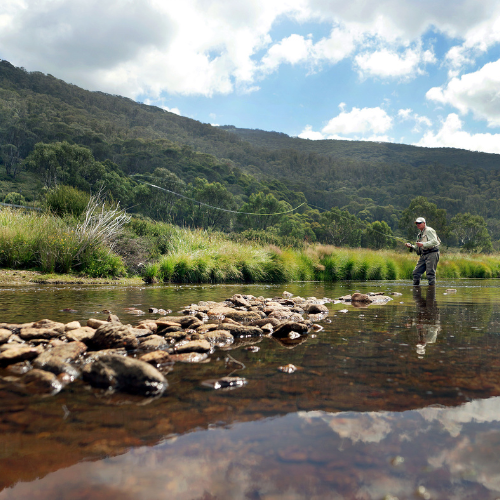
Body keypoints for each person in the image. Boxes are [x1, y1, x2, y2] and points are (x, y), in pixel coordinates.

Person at [405, 217, 440, 286]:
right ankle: (416, 293)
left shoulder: (429, 230)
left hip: (432, 253)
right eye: (417, 223)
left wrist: (423, 244)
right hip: (424, 254)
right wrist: (411, 246)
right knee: (416, 273)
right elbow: (419, 247)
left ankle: (431, 293)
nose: (418, 224)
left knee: (430, 273)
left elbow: (435, 241)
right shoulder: (419, 234)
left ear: (424, 223)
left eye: (419, 223)